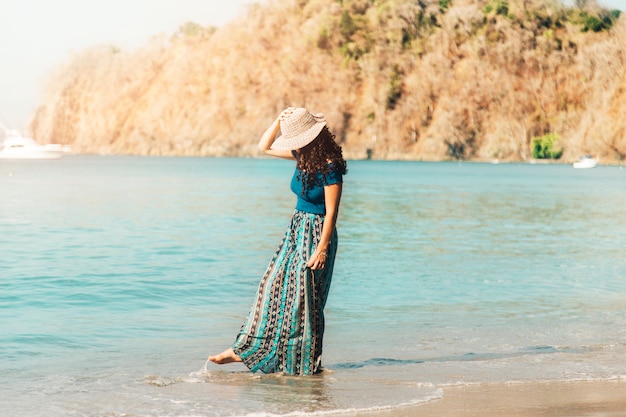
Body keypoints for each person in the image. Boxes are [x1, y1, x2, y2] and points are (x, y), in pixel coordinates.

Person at [208, 107, 347, 375]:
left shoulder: (330, 166)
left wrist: (322, 249)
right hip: (295, 229)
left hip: (318, 233)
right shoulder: (301, 156)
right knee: (271, 286)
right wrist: (278, 120)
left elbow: (332, 212)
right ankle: (245, 350)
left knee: (307, 300)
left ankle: (305, 364)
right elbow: (264, 146)